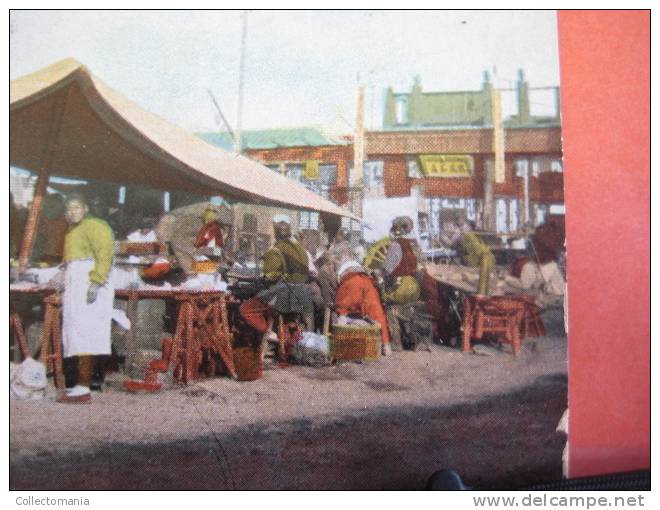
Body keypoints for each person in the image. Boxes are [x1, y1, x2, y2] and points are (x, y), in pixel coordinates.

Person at [58, 194, 114, 403]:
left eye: (77, 208)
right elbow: (72, 259)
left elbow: (105, 255)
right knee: (75, 331)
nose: (73, 212)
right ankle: (79, 384)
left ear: (86, 208)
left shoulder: (97, 226)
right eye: (69, 209)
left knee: (87, 332)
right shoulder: (72, 230)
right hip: (75, 283)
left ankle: (84, 386)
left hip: (89, 283)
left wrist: (97, 282)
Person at [239, 214, 316, 340]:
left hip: (283, 293)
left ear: (275, 232)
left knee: (246, 309)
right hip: (302, 292)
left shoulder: (276, 250)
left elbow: (271, 277)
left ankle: (270, 334)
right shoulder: (301, 249)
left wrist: (261, 279)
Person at [334, 257, 392, 356]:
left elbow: (340, 305)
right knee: (377, 314)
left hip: (349, 282)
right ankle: (386, 346)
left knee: (342, 312)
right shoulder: (361, 268)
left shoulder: (340, 266)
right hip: (366, 282)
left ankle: (342, 346)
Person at [382, 216, 422, 304]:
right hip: (415, 289)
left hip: (400, 289)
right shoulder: (415, 244)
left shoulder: (395, 245)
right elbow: (421, 262)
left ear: (397, 229)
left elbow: (387, 269)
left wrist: (382, 272)